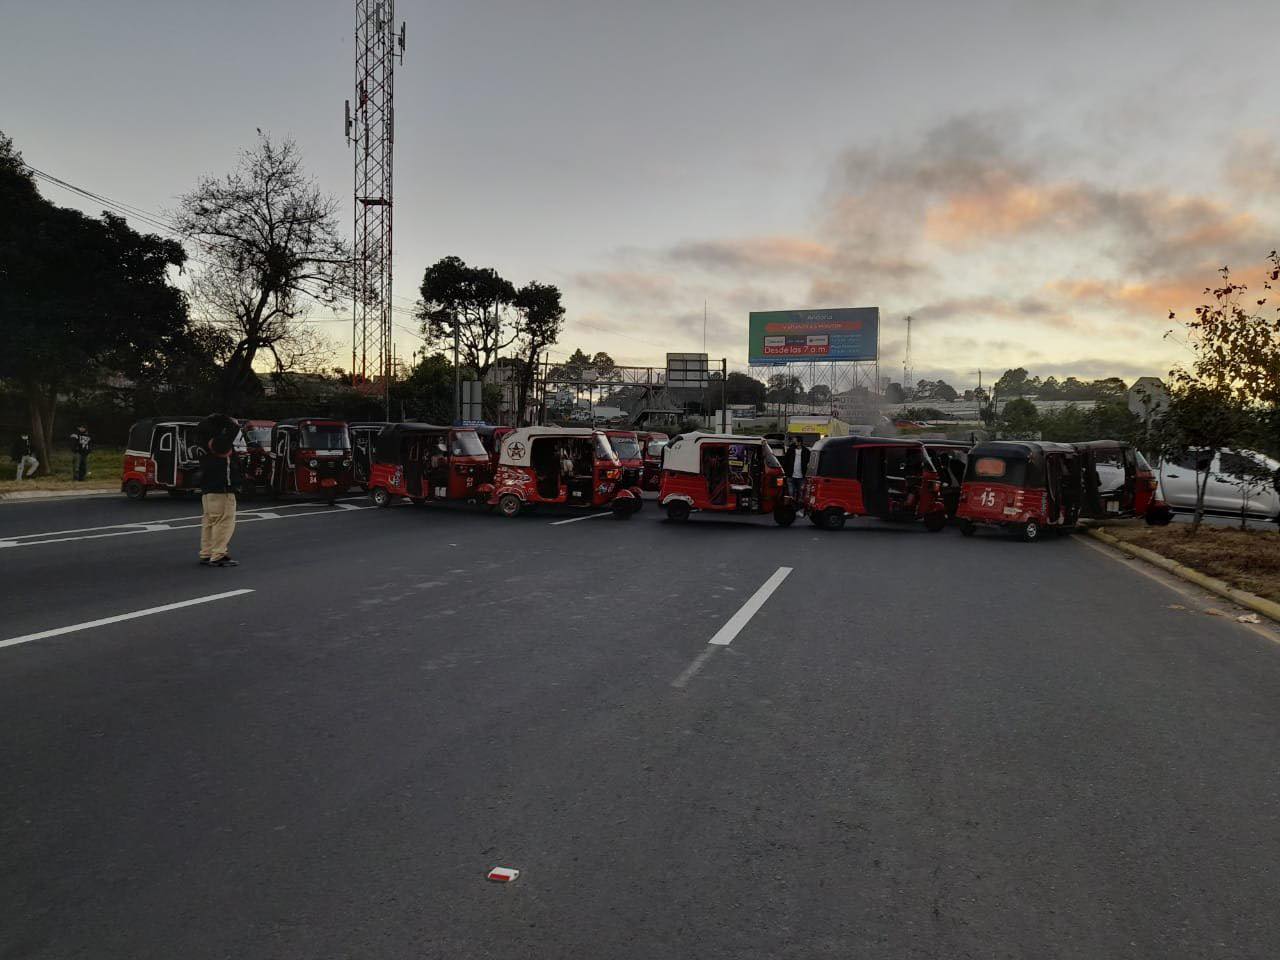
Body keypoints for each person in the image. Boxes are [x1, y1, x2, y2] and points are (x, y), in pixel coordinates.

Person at [198, 429, 242, 567]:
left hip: (207, 493)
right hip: (223, 493)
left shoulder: (205, 455)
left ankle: (206, 552)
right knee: (224, 524)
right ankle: (218, 555)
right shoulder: (225, 460)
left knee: (209, 523)